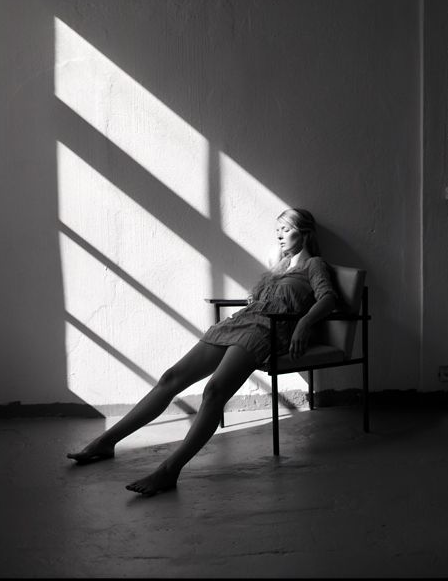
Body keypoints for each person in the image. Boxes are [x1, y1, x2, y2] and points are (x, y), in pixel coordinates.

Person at [67, 208, 337, 496]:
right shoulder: (279, 267)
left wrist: (305, 323)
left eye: (286, 229)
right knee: (171, 377)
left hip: (266, 332)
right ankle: (107, 441)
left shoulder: (314, 265)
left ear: (305, 232)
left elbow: (328, 298)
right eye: (277, 231)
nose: (280, 236)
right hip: (241, 322)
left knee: (214, 390)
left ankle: (170, 470)